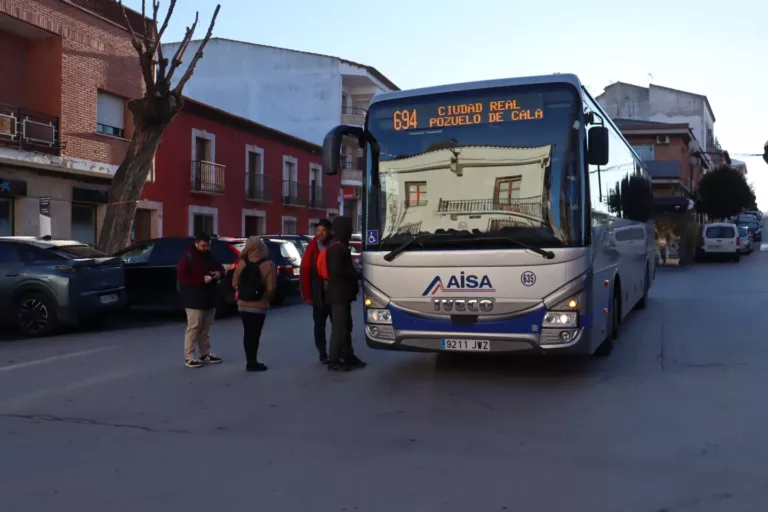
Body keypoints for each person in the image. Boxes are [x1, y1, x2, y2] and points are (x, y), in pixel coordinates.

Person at [177, 233, 225, 368]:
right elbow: (182, 276)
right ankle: (189, 357)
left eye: (208, 245)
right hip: (193, 298)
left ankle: (205, 354)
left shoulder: (210, 256)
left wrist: (218, 273)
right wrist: (201, 279)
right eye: (203, 245)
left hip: (209, 297)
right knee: (194, 327)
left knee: (205, 328)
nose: (205, 248)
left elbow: (221, 268)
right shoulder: (188, 257)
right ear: (196, 243)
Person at [324, 216, 365, 372]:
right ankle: (334, 359)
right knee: (339, 328)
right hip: (339, 294)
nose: (351, 230)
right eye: (349, 227)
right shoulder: (337, 248)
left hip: (343, 294)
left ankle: (348, 356)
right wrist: (353, 273)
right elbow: (336, 271)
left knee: (346, 327)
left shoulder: (340, 245)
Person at [232, 236, 277, 372]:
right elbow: (272, 287)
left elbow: (234, 283)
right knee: (255, 334)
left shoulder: (242, 263)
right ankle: (253, 362)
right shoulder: (268, 264)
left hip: (243, 305)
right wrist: (267, 299)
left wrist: (243, 292)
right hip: (259, 306)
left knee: (247, 333)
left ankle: (249, 361)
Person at [300, 218, 333, 363]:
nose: (320, 233)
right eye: (318, 230)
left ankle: (337, 350)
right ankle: (322, 352)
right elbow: (305, 271)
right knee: (319, 325)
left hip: (333, 293)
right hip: (318, 293)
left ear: (329, 231)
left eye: (323, 230)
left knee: (337, 324)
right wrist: (307, 294)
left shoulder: (334, 245)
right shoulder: (311, 247)